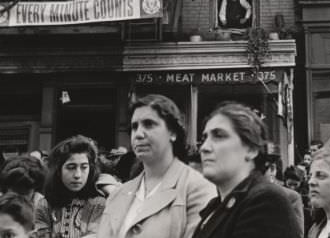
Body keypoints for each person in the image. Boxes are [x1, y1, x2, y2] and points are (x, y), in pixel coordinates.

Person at [98, 94, 215, 238]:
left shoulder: (197, 189)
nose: (138, 134)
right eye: (134, 127)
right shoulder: (118, 194)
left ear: (173, 132)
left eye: (149, 124)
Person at [192, 102, 301, 238]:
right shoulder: (216, 206)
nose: (204, 147)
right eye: (204, 138)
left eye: (219, 136)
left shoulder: (265, 201)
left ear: (251, 150)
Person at [34, 135, 106, 238]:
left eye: (84, 167)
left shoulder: (98, 204)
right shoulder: (44, 205)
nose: (78, 175)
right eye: (71, 167)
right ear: (58, 170)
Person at [259, 154, 305, 235]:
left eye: (262, 171)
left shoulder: (291, 196)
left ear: (273, 170)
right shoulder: (247, 195)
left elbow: (297, 233)